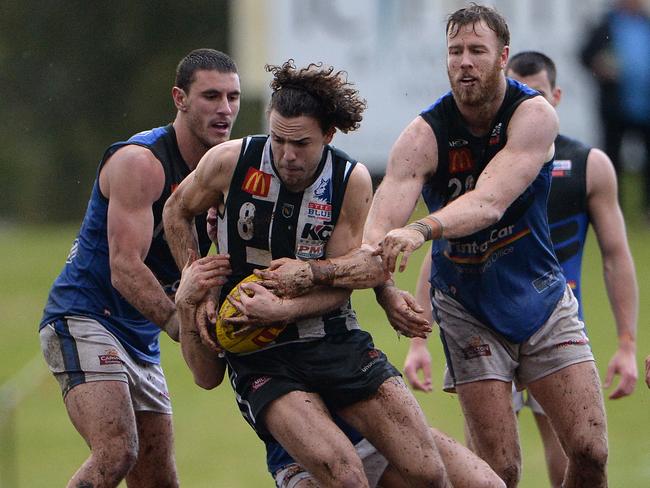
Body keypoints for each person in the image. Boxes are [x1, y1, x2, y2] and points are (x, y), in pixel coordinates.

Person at [254, 5, 610, 488]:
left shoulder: (532, 114)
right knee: (498, 472)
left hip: (542, 296)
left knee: (590, 451)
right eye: (456, 51)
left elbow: (488, 203)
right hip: (468, 309)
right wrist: (338, 278)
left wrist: (421, 230)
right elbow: (375, 240)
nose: (465, 61)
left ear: (502, 56)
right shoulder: (423, 136)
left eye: (477, 51)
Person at [163, 59, 453, 488]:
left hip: (334, 338)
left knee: (427, 473)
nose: (287, 155)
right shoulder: (230, 161)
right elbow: (176, 210)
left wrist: (285, 304)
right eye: (278, 139)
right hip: (261, 356)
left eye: (301, 144)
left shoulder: (348, 180)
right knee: (346, 479)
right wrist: (198, 282)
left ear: (328, 136)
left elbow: (341, 288)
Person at [404, 50, 639, 488]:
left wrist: (626, 342)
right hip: (479, 318)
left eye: (541, 95)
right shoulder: (478, 157)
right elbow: (444, 248)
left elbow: (616, 256)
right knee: (498, 468)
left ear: (557, 97)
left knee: (578, 452)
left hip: (551, 314)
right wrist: (419, 339)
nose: (529, 103)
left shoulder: (588, 165)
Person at [38, 48, 241, 487]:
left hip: (140, 335)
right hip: (86, 317)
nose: (224, 110)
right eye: (210, 96)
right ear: (179, 99)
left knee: (159, 481)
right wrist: (182, 323)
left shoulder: (225, 173)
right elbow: (124, 268)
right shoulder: (141, 162)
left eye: (232, 97)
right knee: (117, 452)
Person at [174, 250, 504, 488]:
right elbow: (205, 376)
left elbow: (368, 253)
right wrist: (186, 305)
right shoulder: (218, 272)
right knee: (347, 479)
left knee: (485, 483)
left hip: (370, 422)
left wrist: (385, 291)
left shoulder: (327, 211)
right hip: (302, 448)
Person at [581, 0, 650, 217]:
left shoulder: (646, 22)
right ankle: (612, 207)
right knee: (612, 158)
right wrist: (599, 65)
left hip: (645, 104)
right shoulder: (605, 24)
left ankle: (646, 209)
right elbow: (585, 54)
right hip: (616, 105)